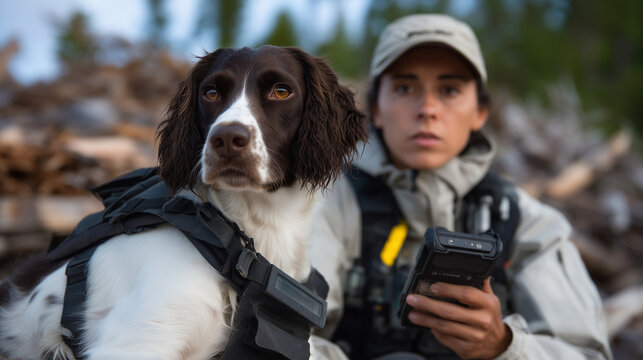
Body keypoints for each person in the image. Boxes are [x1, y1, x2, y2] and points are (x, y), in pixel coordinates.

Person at [308, 14, 612, 360]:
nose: (427, 109)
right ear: (376, 108)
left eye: (449, 90)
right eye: (405, 88)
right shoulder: (324, 203)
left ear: (480, 112)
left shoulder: (528, 222)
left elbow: (587, 354)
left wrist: (504, 345)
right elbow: (289, 338)